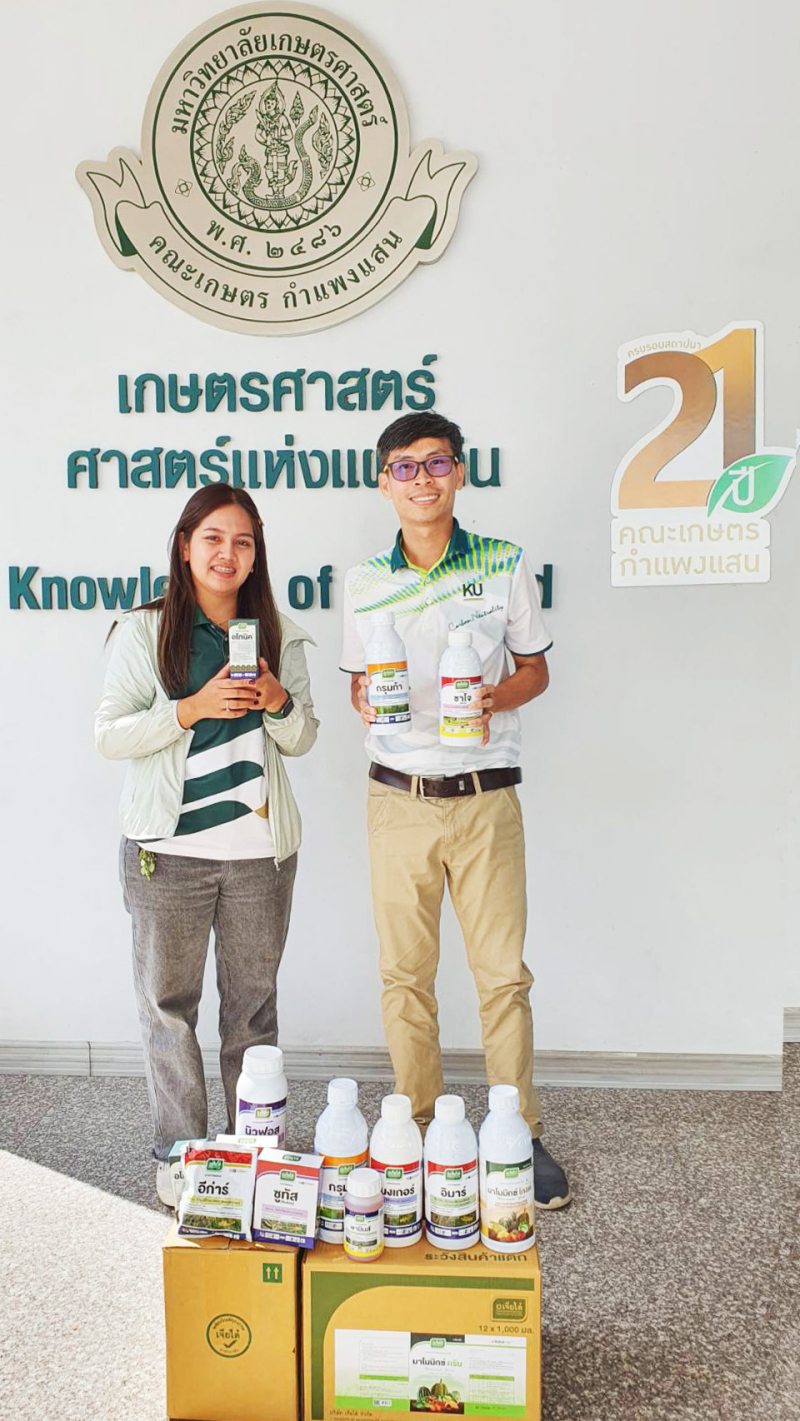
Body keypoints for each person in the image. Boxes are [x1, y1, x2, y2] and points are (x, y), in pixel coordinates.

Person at [340, 412, 569, 1208]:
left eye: (437, 463)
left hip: (484, 795)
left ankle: (519, 1133)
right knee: (405, 976)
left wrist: (493, 695)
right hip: (397, 797)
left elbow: (536, 669)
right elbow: (358, 680)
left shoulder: (503, 562)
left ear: (460, 473)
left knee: (502, 976)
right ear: (384, 483)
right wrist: (363, 694)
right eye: (404, 467)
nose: (422, 479)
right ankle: (421, 1129)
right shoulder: (364, 581)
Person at [95, 486, 318, 1205]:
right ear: (185, 545)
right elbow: (110, 735)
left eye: (243, 541)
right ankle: (181, 1151)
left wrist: (278, 700)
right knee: (169, 1008)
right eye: (214, 538)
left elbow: (302, 738)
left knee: (252, 1013)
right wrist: (188, 709)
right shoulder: (144, 631)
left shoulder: (279, 634)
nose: (229, 553)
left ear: (256, 554)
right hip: (168, 856)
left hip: (259, 857)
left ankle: (256, 1151)